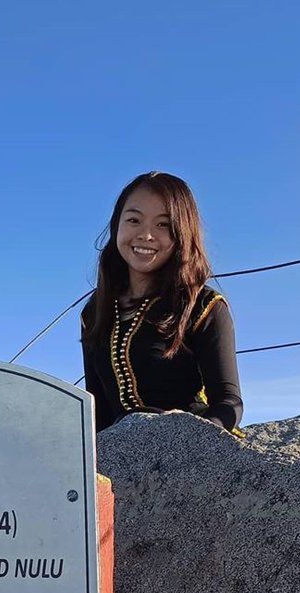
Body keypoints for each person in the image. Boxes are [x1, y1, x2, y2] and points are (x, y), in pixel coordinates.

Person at [81, 172, 243, 434]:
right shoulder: (94, 312)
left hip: (192, 441)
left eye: (163, 225)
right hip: (120, 448)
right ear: (116, 225)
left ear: (182, 234)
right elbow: (96, 411)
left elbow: (229, 401)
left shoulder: (203, 305)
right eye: (134, 220)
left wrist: (188, 434)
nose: (146, 235)